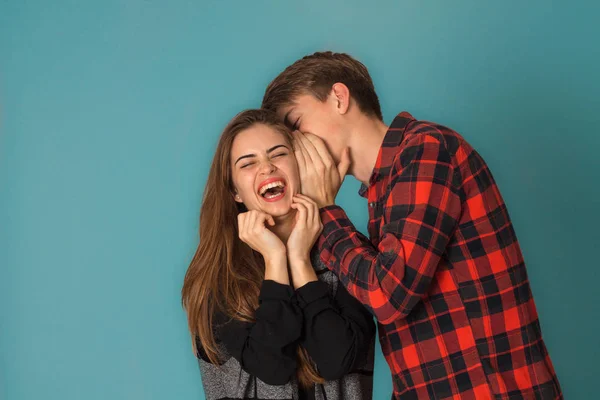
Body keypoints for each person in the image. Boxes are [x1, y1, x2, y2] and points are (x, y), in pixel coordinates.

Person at [262, 51, 562, 399]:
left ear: (339, 98)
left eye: (296, 124)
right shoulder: (384, 189)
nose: (297, 148)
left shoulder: (426, 151)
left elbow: (387, 295)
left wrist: (327, 211)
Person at [182, 109, 375, 400]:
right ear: (235, 191)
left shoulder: (347, 247)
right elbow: (271, 367)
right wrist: (275, 260)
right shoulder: (219, 273)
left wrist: (298, 260)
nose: (267, 168)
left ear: (299, 167)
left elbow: (338, 360)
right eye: (248, 163)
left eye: (278, 154)